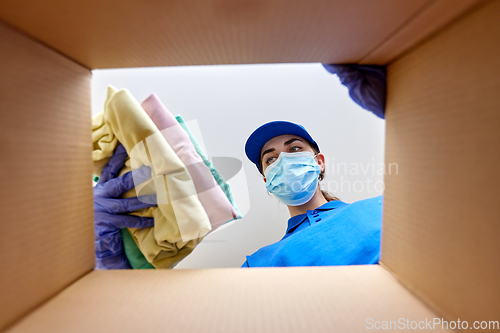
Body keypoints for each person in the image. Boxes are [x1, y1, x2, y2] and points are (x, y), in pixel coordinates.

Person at [241, 120, 382, 267]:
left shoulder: (381, 209)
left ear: (319, 162)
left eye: (294, 149)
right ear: (267, 180)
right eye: (271, 159)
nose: (284, 160)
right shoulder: (258, 264)